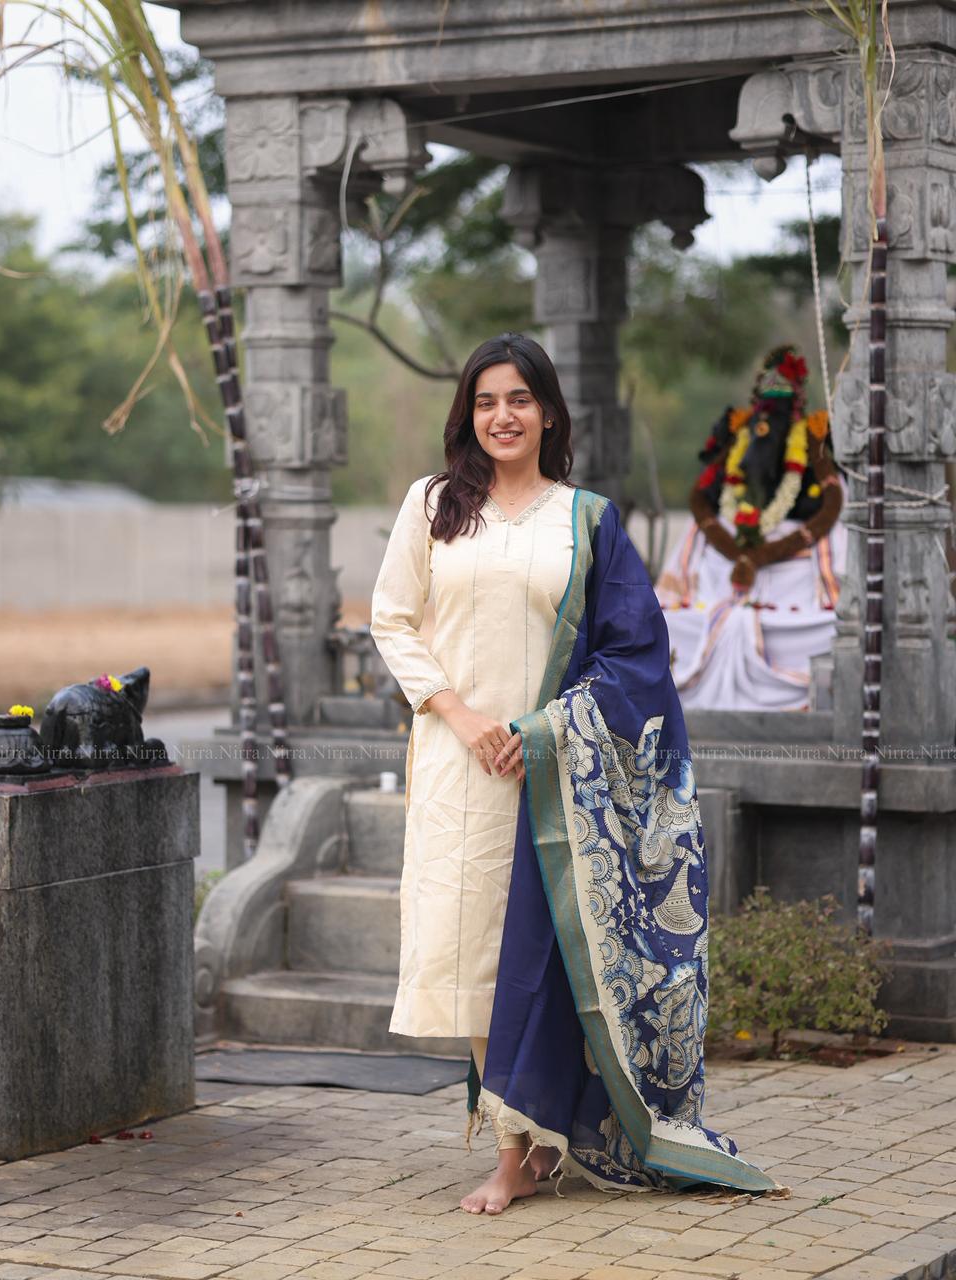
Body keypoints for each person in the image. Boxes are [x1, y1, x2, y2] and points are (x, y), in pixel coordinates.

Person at [370, 333, 776, 1216]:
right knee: (478, 958)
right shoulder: (434, 505)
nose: (501, 416)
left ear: (547, 411)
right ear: (467, 414)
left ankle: (531, 1149)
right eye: (485, 401)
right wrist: (463, 715)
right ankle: (521, 1142)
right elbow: (392, 622)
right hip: (458, 763)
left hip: (558, 772)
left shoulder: (584, 518)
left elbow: (636, 651)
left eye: (518, 400)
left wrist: (547, 730)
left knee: (545, 953)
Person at [655, 345, 846, 710]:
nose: (767, 425)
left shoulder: (811, 439)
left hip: (796, 563)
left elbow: (832, 501)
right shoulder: (739, 437)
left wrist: (760, 554)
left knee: (831, 628)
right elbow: (704, 499)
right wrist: (743, 551)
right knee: (664, 622)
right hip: (729, 552)